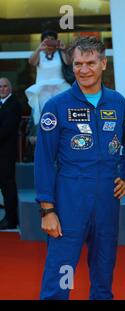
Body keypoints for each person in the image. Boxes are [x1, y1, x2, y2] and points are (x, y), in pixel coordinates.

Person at [34, 36, 125, 300]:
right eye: (78, 63)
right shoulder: (57, 106)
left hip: (107, 201)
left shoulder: (118, 103)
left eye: (90, 63)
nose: (83, 69)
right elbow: (43, 159)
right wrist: (47, 209)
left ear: (103, 63)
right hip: (69, 201)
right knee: (62, 272)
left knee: (103, 270)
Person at [26, 30, 71, 126]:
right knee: (45, 116)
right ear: (42, 41)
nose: (50, 42)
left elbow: (68, 62)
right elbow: (32, 62)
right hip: (43, 90)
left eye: (52, 40)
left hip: (60, 88)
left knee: (62, 114)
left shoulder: (60, 53)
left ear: (56, 41)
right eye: (47, 40)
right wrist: (39, 49)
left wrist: (63, 49)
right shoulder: (40, 54)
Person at [0, 78, 22, 230]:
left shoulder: (14, 104)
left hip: (6, 153)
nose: (2, 89)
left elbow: (7, 130)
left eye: (5, 86)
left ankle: (11, 219)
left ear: (10, 89)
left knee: (7, 185)